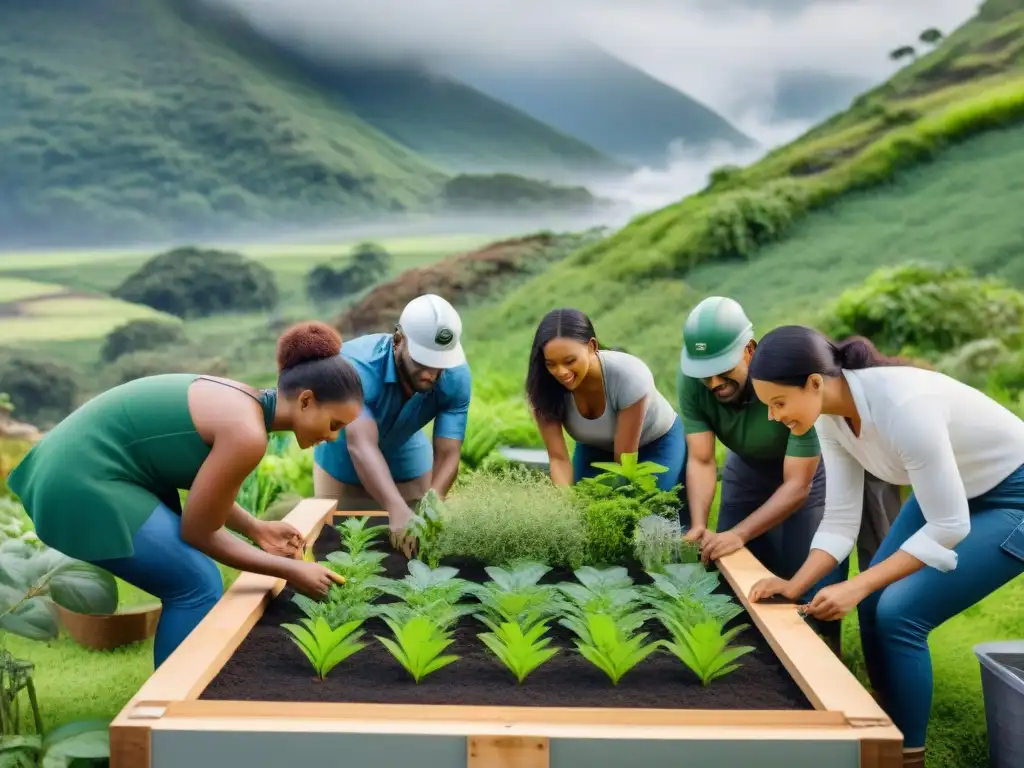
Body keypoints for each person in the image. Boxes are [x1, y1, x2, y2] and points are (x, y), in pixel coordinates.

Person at [745, 325, 1024, 768]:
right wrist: (794, 584)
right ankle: (883, 716)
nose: (773, 417)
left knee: (899, 613)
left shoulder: (905, 409)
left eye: (778, 403)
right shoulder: (833, 418)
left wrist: (857, 585)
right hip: (956, 490)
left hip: (1014, 498)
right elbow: (839, 519)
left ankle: (905, 757)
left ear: (814, 382)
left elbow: (949, 525)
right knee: (873, 603)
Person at [6, 321, 361, 669]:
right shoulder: (247, 434)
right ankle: (169, 709)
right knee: (196, 582)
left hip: (79, 470)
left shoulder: (241, 402)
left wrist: (256, 529)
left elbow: (203, 489)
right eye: (334, 425)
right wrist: (289, 570)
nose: (332, 438)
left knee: (194, 574)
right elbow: (200, 532)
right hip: (80, 483)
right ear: (306, 400)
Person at [676, 296, 901, 653]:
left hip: (809, 476)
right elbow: (702, 460)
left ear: (748, 350)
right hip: (747, 470)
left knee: (808, 577)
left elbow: (798, 484)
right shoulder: (694, 380)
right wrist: (702, 523)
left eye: (723, 368)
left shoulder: (784, 379)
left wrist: (738, 531)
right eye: (705, 374)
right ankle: (751, 662)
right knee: (734, 568)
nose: (714, 382)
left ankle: (824, 659)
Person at [312, 294, 471, 538]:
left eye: (441, 363)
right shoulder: (354, 368)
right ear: (398, 340)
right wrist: (395, 508)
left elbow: (449, 452)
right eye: (424, 360)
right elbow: (361, 446)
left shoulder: (455, 377)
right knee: (339, 545)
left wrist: (434, 503)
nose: (432, 373)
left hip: (407, 459)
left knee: (417, 543)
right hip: (342, 465)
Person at [526, 308, 685, 491]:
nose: (561, 372)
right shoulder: (542, 389)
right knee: (583, 506)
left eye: (569, 361)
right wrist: (565, 506)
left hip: (656, 443)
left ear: (592, 347)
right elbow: (558, 459)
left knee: (647, 508)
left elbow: (625, 461)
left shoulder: (629, 375)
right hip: (594, 447)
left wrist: (617, 500)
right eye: (551, 364)